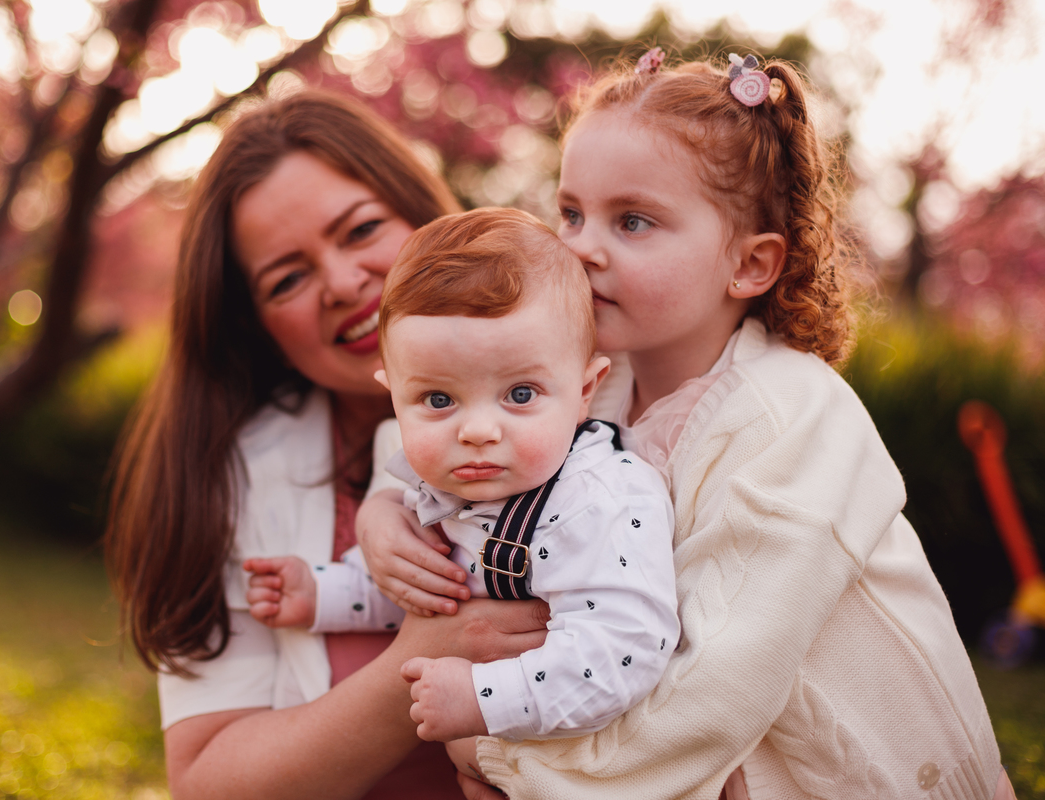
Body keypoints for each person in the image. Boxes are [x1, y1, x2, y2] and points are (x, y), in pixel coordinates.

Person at [357, 53, 1012, 800]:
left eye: (632, 221)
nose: (581, 247)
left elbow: (715, 686)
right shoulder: (605, 385)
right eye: (570, 212)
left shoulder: (787, 417)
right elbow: (452, 421)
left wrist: (504, 764)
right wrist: (384, 506)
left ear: (750, 263)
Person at [103, 91, 553, 800]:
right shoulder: (233, 480)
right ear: (258, 328)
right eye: (288, 278)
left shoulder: (598, 378)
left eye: (361, 229)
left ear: (425, 215)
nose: (344, 284)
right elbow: (205, 781)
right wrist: (425, 657)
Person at [243, 208, 679, 786]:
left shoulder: (596, 503)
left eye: (520, 393)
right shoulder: (453, 487)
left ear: (584, 392)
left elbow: (624, 653)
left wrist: (482, 696)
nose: (477, 430)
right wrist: (323, 591)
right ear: (394, 398)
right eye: (439, 400)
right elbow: (431, 588)